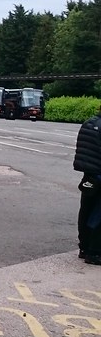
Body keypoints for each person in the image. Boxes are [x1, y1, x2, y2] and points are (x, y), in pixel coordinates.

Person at [73, 104, 101, 265]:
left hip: (89, 175)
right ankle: (95, 252)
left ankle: (83, 247)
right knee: (98, 215)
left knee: (86, 210)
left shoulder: (89, 123)